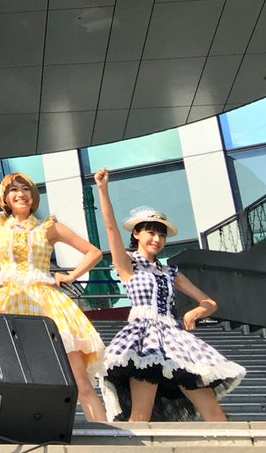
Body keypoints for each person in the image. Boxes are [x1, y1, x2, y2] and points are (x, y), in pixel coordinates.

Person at [0, 131, 107, 421]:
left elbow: (93, 252)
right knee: (5, 377)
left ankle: (104, 435)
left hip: (47, 303)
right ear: (5, 198)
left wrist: (71, 275)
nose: (21, 193)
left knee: (79, 380)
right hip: (9, 302)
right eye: (14, 189)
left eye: (26, 188)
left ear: (33, 195)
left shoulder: (48, 227)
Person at [95, 168, 245, 422]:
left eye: (162, 235)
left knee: (214, 413)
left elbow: (209, 302)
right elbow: (110, 229)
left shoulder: (170, 271)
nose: (157, 239)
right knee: (140, 417)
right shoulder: (129, 265)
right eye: (151, 233)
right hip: (143, 338)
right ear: (136, 234)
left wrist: (196, 312)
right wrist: (103, 190)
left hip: (175, 338)